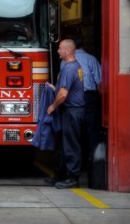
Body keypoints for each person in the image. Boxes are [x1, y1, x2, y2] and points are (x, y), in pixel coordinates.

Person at [46, 38, 85, 189]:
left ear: (68, 51)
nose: (57, 51)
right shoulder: (75, 66)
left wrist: (52, 106)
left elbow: (63, 94)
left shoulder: (69, 68)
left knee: (71, 145)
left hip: (71, 112)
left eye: (60, 48)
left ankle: (73, 177)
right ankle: (61, 175)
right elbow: (63, 89)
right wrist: (53, 87)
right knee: (63, 145)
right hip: (71, 111)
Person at [74, 37, 103, 165]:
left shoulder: (66, 61)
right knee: (92, 129)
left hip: (72, 98)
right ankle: (93, 162)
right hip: (90, 97)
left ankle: (76, 162)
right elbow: (100, 83)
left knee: (74, 130)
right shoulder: (91, 59)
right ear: (83, 45)